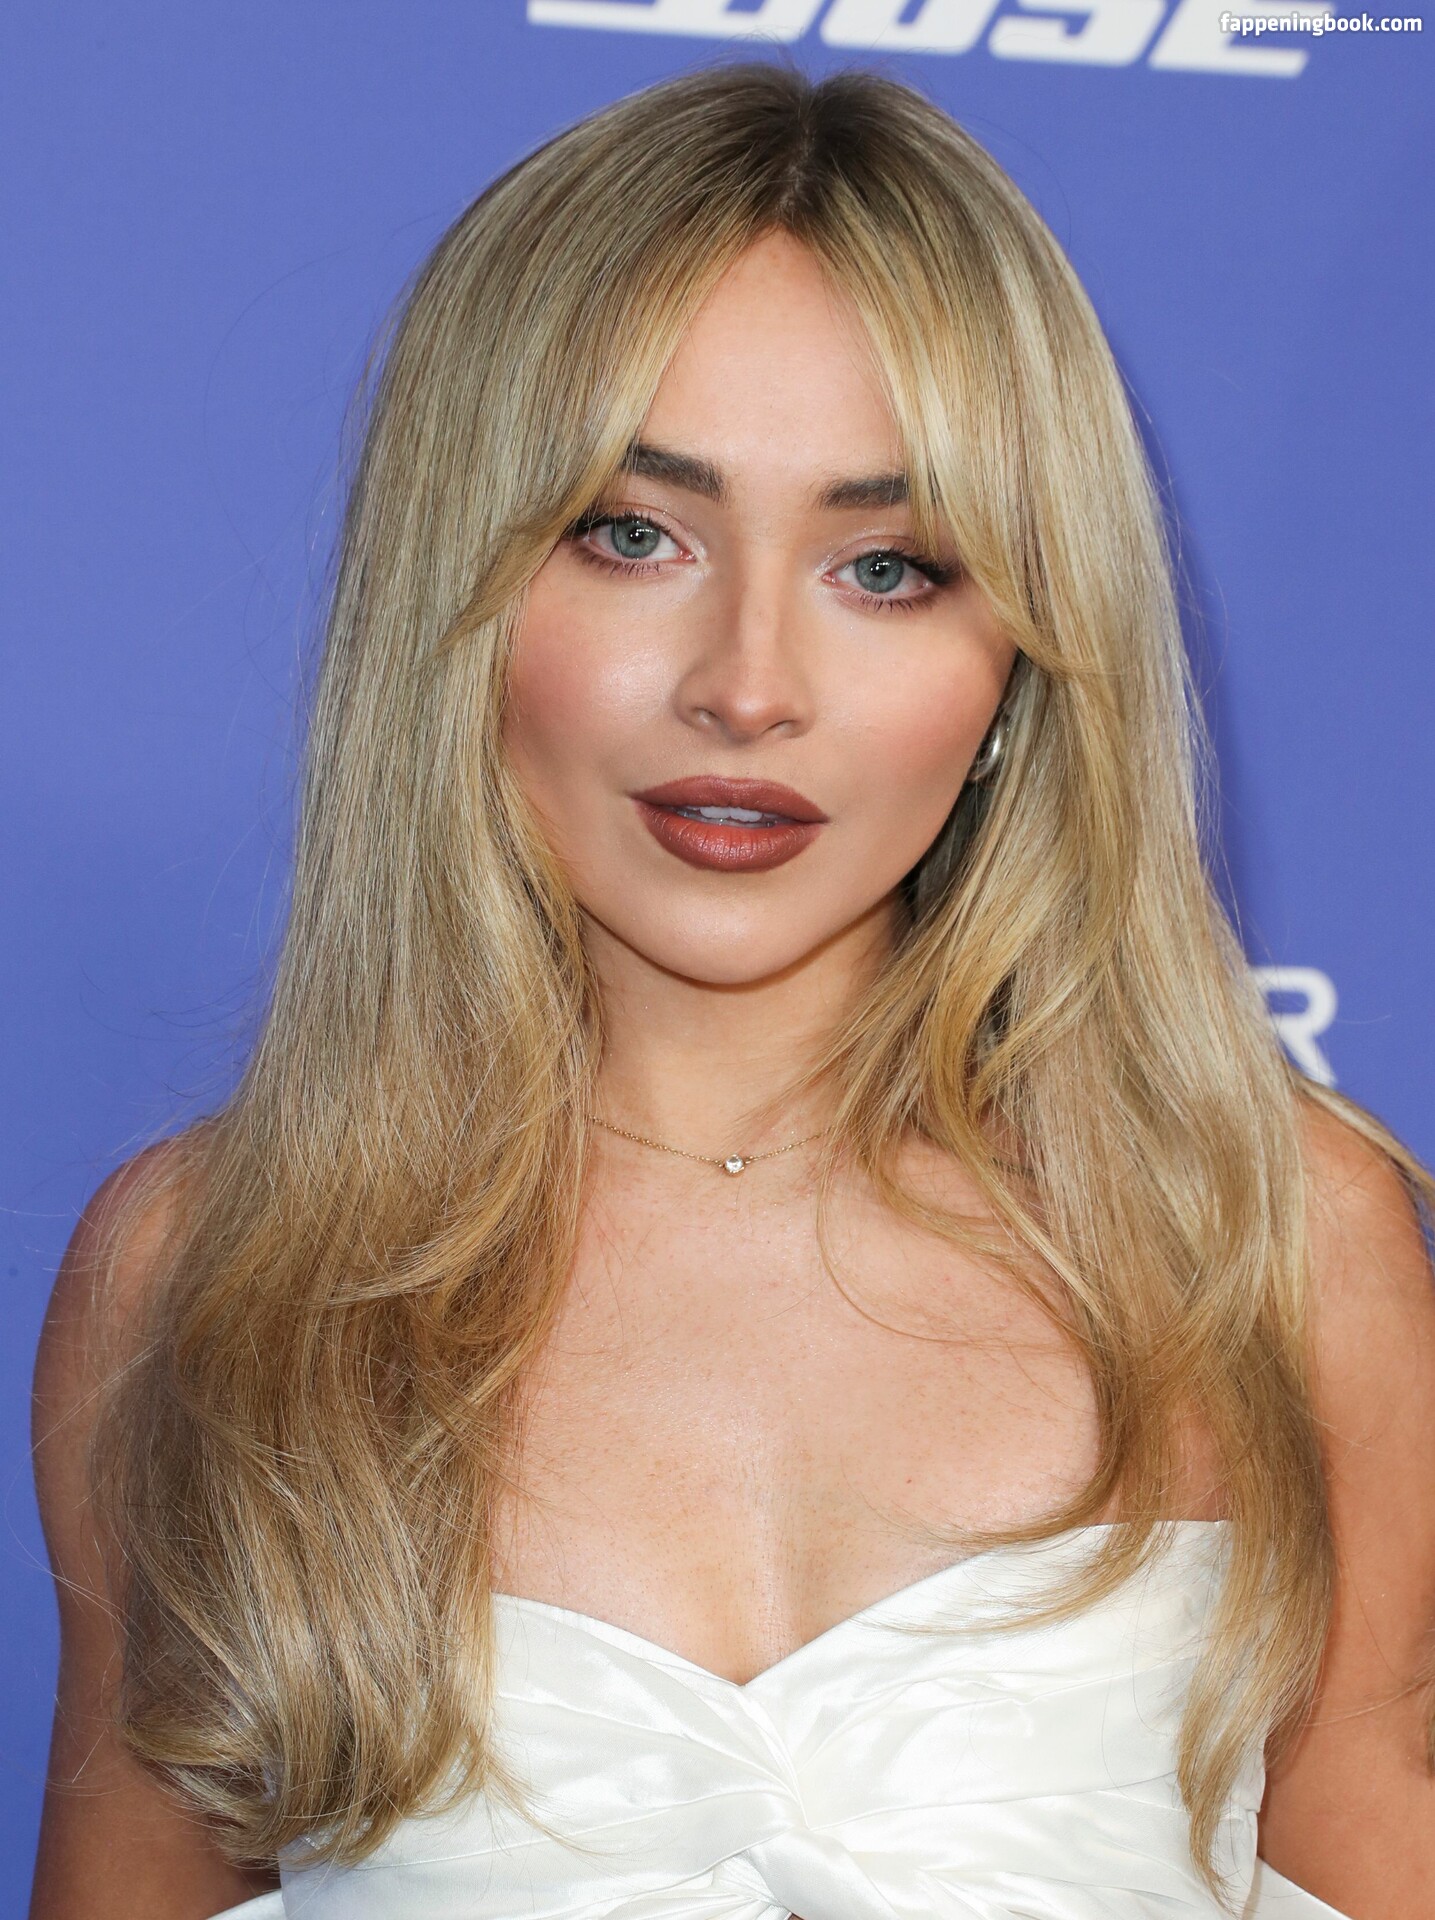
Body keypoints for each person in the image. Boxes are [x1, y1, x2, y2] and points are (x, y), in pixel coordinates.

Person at [28, 60, 1435, 1920]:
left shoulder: (1277, 1243)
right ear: (458, 594)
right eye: (636, 535)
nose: (749, 685)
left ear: (1020, 660)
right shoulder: (203, 1275)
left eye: (888, 566)